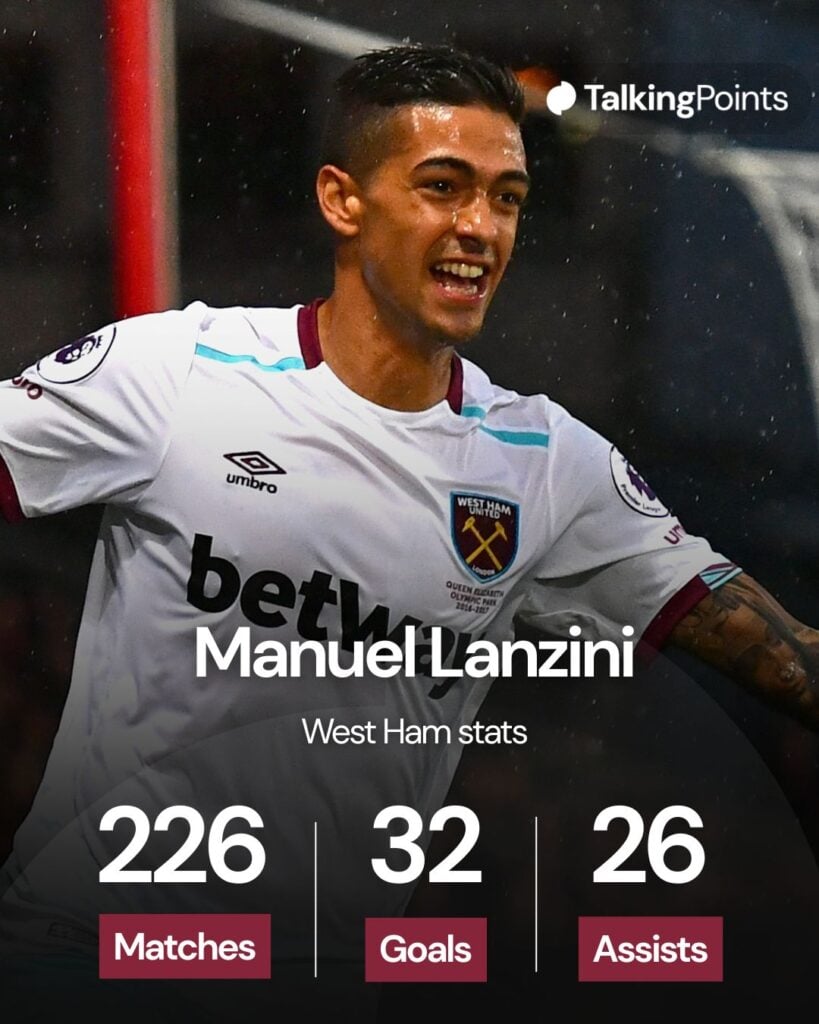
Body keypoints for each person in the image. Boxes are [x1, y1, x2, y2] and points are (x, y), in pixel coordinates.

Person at [0, 43, 815, 1018]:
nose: (480, 227)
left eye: (507, 198)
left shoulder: (548, 463)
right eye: (443, 187)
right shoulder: (173, 371)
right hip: (88, 956)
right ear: (343, 202)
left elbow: (782, 656)